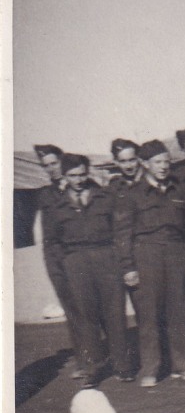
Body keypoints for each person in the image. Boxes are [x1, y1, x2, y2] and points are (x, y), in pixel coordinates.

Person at [114, 140, 185, 387]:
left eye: (166, 161)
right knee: (149, 315)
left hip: (175, 253)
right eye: (157, 162)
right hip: (146, 255)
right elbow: (122, 234)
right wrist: (128, 267)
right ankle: (150, 369)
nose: (163, 167)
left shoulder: (178, 190)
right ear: (144, 164)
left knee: (177, 311)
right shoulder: (132, 195)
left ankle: (183, 365)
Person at [43, 154, 131, 387]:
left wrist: (120, 261)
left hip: (106, 258)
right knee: (85, 316)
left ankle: (122, 365)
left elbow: (119, 231)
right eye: (73, 175)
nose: (79, 180)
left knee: (115, 313)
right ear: (64, 176)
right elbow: (52, 242)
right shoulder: (56, 206)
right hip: (76, 262)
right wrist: (62, 269)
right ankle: (92, 368)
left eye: (83, 174)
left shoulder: (105, 197)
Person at [34, 144, 83, 376]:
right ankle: (84, 359)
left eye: (54, 163)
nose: (51, 169)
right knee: (72, 310)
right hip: (57, 258)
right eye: (46, 166)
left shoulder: (82, 185)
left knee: (91, 306)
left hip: (81, 255)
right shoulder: (45, 194)